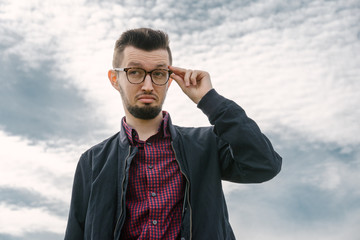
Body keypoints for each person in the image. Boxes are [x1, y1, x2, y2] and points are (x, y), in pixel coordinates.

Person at [64, 28, 282, 240]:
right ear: (114, 79)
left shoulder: (207, 145)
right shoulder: (92, 162)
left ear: (169, 80)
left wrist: (209, 100)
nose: (148, 86)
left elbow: (264, 165)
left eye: (158, 73)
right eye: (135, 72)